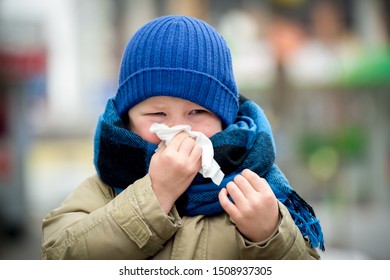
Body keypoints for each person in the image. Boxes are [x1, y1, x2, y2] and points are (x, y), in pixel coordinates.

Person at [40, 15, 324, 260]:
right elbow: (58, 254)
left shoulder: (254, 182)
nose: (179, 129)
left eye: (197, 112)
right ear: (127, 119)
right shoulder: (108, 185)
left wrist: (269, 234)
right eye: (158, 114)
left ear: (224, 119)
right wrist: (155, 195)